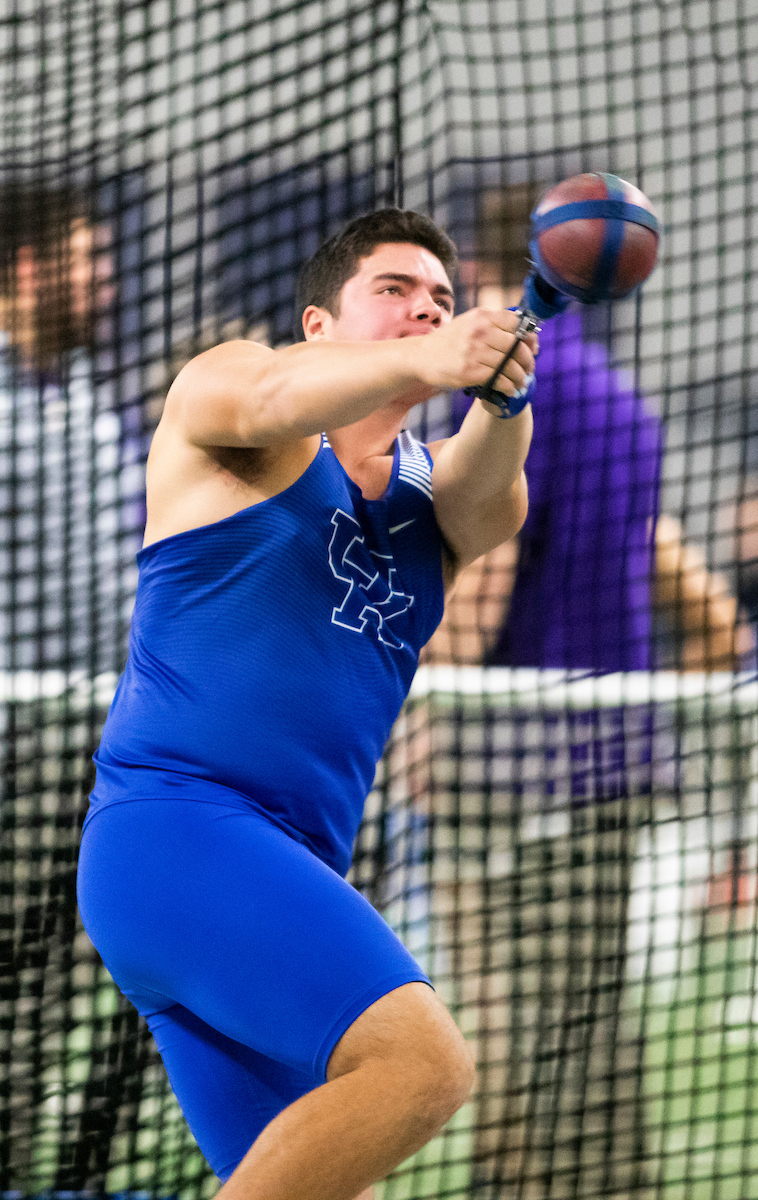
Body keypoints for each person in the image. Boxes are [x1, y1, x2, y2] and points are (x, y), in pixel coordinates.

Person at [76, 207, 540, 1200]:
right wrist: (444, 353)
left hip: (280, 871)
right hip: (178, 838)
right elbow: (274, 392)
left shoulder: (435, 503)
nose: (426, 309)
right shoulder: (233, 395)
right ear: (319, 322)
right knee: (426, 1068)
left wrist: (500, 395)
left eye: (442, 300)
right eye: (394, 291)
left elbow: (493, 497)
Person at [411, 184, 749, 1200]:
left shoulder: (508, 391)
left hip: (509, 768)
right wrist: (646, 706)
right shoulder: (627, 410)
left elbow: (486, 566)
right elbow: (707, 614)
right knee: (588, 1024)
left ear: (482, 273)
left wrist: (428, 718)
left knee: (502, 1024)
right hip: (614, 768)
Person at [0, 180, 133, 676]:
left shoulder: (84, 391)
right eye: (88, 257)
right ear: (32, 270)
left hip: (100, 696)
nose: (106, 279)